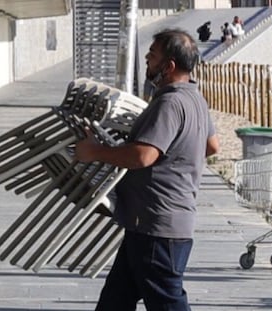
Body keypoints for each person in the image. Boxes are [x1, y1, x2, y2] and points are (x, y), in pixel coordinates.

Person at [75, 28, 220, 310]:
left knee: (167, 303)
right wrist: (177, 160)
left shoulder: (169, 102)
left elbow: (143, 156)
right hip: (150, 223)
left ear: (169, 66)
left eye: (152, 56)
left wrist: (93, 152)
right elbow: (212, 146)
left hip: (158, 226)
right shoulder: (196, 99)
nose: (147, 61)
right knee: (115, 301)